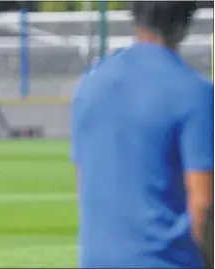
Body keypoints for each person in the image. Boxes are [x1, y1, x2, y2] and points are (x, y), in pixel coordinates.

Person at [70, 2, 213, 268]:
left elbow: (85, 182)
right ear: (188, 19)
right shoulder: (195, 92)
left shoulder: (89, 85)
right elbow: (202, 204)